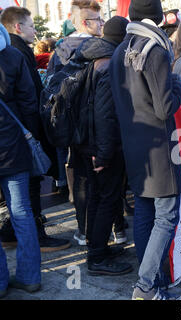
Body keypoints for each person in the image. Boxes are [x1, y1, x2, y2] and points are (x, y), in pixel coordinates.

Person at [109, 0, 181, 300]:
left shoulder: (119, 49)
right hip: (159, 148)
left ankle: (150, 280)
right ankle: (146, 286)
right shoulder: (154, 49)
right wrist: (178, 83)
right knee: (165, 217)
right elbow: (165, 108)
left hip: (134, 145)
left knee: (144, 211)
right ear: (157, 16)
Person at [1, 6, 70, 252]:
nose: (36, 30)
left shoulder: (13, 50)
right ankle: (34, 242)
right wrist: (35, 135)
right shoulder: (15, 53)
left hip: (11, 136)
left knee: (20, 199)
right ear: (18, 27)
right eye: (32, 26)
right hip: (17, 136)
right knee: (26, 197)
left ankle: (10, 235)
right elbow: (28, 99)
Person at [69, 16, 132, 276]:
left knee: (98, 198)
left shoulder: (90, 55)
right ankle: (97, 257)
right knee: (106, 200)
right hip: (100, 146)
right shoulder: (108, 63)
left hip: (85, 141)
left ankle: (98, 248)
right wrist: (105, 154)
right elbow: (105, 115)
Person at [46, 0, 104, 247]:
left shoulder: (58, 52)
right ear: (84, 22)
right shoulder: (101, 49)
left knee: (80, 183)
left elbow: (49, 90)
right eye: (98, 20)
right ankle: (103, 235)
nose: (102, 24)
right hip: (96, 127)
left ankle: (84, 230)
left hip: (72, 131)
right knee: (101, 185)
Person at [0, 23, 41, 297]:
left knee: (21, 212)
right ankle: (30, 277)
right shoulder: (13, 55)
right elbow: (30, 103)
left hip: (11, 145)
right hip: (14, 146)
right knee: (22, 213)